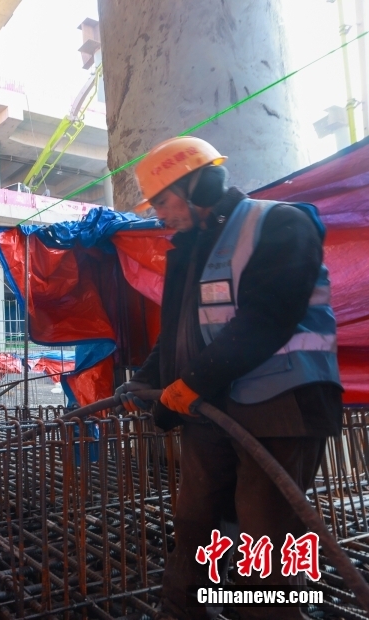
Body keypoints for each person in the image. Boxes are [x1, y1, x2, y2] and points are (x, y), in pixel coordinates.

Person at [115, 136, 342, 620]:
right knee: (196, 517)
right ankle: (185, 611)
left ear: (200, 185)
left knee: (266, 529)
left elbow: (268, 317)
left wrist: (192, 384)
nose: (158, 215)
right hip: (211, 403)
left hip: (284, 404)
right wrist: (147, 381)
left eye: (162, 200)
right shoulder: (189, 249)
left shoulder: (279, 222)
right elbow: (174, 333)